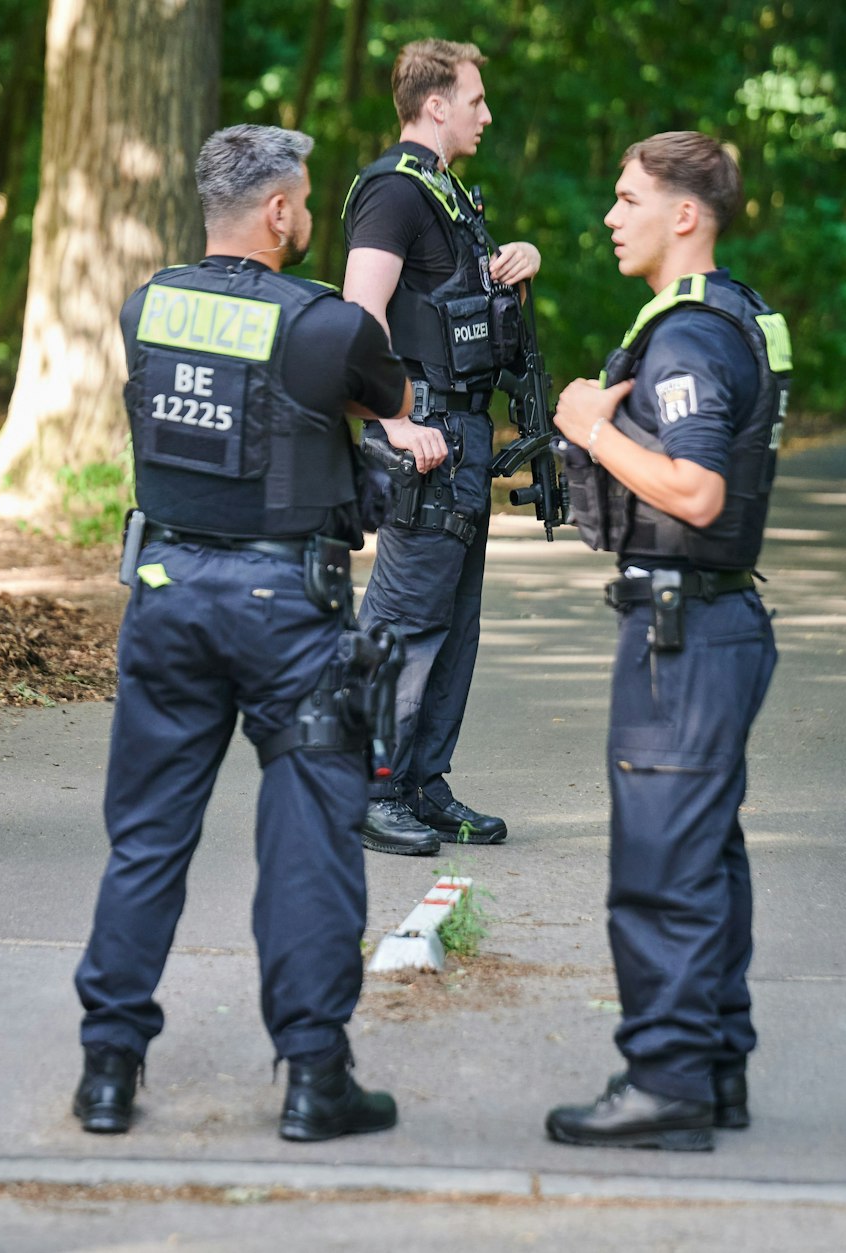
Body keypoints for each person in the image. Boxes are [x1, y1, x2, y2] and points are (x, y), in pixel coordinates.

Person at [71, 124, 413, 1143]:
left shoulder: (147, 306)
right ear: (277, 212)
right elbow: (386, 399)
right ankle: (313, 1078)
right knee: (307, 843)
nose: (307, 215)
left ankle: (106, 1069)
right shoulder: (327, 324)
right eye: (303, 200)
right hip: (286, 614)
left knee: (144, 839)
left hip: (166, 594)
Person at [543, 132, 790, 1150]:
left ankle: (665, 1083)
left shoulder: (688, 337)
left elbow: (694, 490)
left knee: (660, 864)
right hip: (714, 624)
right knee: (705, 854)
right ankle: (713, 1065)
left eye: (626, 196)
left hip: (681, 634)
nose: (610, 215)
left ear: (682, 214)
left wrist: (586, 429)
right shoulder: (736, 315)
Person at [342, 38, 541, 857]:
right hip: (421, 432)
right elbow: (360, 315)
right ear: (435, 106)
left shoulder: (447, 195)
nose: (486, 114)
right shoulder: (394, 191)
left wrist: (516, 264)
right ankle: (368, 786)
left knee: (454, 622)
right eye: (476, 100)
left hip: (460, 434)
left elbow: (446, 308)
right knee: (404, 617)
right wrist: (393, 420)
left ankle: (422, 784)